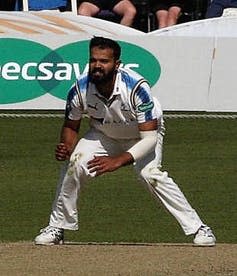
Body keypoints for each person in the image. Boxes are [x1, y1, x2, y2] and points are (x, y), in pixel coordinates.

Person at [34, 36, 216, 246]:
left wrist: (117, 161)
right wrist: (66, 146)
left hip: (141, 136)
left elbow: (149, 138)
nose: (97, 66)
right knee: (74, 164)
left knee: (149, 175)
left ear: (117, 64)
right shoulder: (79, 89)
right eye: (93, 60)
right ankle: (58, 226)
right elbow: (70, 125)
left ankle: (199, 228)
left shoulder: (137, 87)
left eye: (104, 61)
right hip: (103, 134)